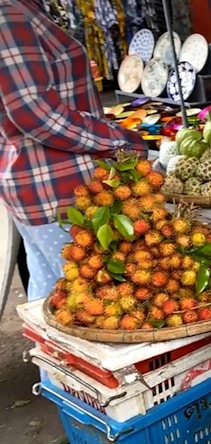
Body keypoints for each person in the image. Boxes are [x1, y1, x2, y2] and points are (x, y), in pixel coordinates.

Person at [0, 0, 146, 301]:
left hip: (43, 182)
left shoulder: (25, 8)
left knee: (53, 291)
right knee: (87, 300)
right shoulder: (8, 13)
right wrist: (118, 140)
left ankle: (49, 349)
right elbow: (34, 112)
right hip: (58, 188)